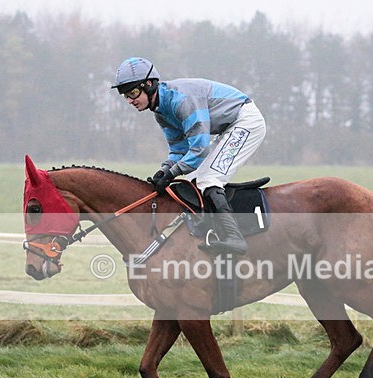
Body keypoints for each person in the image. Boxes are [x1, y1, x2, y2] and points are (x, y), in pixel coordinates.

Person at [111, 57, 266, 255]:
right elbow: (179, 150)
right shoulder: (161, 112)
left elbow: (199, 149)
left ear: (149, 84)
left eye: (133, 92)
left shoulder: (181, 100)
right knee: (193, 179)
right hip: (229, 127)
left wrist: (172, 172)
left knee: (209, 178)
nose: (130, 100)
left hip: (246, 122)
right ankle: (211, 229)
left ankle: (234, 237)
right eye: (125, 95)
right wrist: (165, 170)